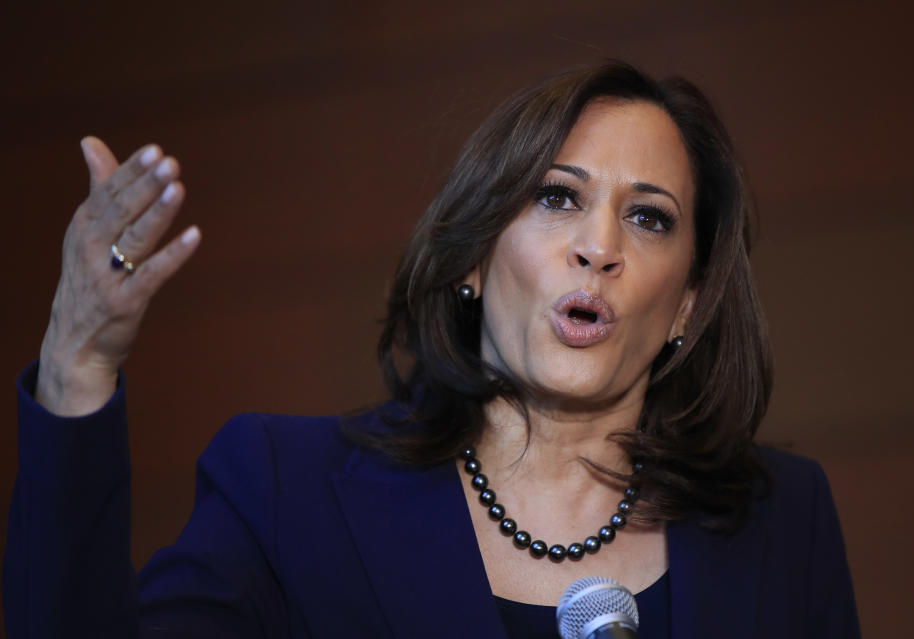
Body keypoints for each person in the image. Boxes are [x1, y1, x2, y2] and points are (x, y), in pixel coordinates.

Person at [3, 61, 860, 638]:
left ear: (688, 302)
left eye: (649, 216)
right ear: (475, 261)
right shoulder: (281, 492)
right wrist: (78, 364)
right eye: (557, 197)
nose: (600, 246)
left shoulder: (784, 519)